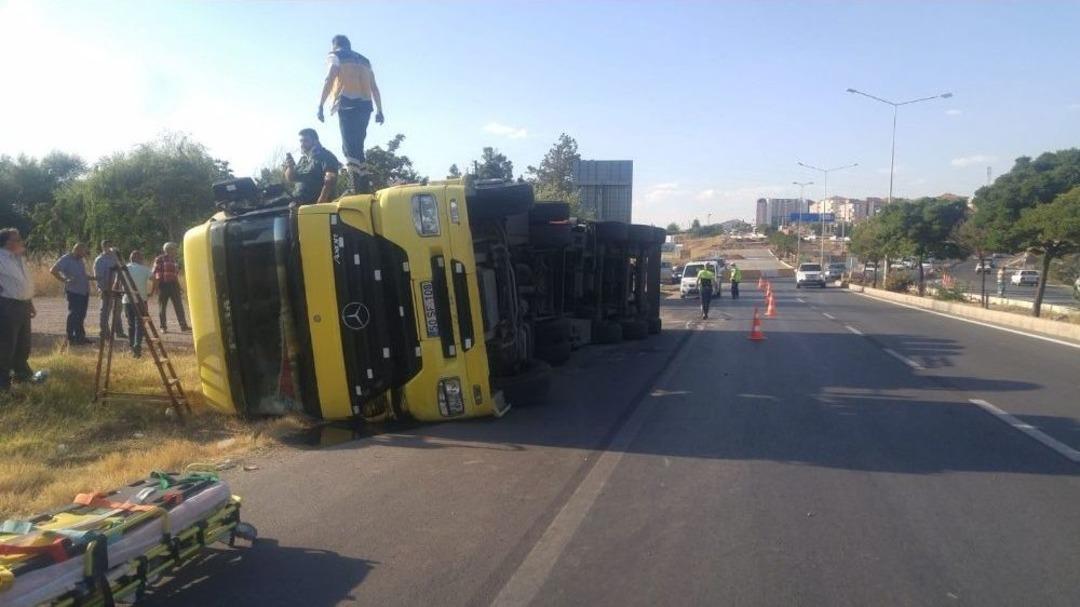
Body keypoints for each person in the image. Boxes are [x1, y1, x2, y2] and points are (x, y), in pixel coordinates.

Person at [317, 34, 384, 194]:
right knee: (358, 146)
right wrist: (380, 110)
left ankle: (355, 185)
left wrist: (320, 105)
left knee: (349, 146)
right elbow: (374, 87)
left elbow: (330, 79)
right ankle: (363, 184)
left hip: (347, 103)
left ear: (334, 45)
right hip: (366, 106)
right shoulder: (365, 60)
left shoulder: (335, 56)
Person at [0, 228, 37, 391]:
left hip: (22, 304)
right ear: (7, 242)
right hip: (7, 305)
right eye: (17, 239)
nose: (21, 242)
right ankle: (2, 381)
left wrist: (30, 302)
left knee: (23, 342)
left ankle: (22, 375)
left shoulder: (18, 258)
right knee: (7, 344)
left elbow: (24, 284)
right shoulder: (1, 258)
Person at [284, 128, 342, 205]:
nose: (302, 144)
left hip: (314, 206)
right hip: (297, 203)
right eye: (301, 141)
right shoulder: (303, 160)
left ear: (315, 141)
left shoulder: (326, 156)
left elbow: (330, 179)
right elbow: (290, 178)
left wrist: (320, 202)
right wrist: (290, 167)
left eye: (305, 141)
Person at [50, 242, 92, 345]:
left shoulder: (80, 260)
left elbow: (81, 275)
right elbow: (53, 270)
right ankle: (70, 338)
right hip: (74, 292)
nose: (84, 254)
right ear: (77, 250)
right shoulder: (66, 259)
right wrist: (64, 280)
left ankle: (80, 337)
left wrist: (92, 278)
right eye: (83, 252)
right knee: (74, 314)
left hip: (83, 291)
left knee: (81, 315)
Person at [150, 242, 190, 333]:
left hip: (174, 285)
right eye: (174, 249)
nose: (175, 251)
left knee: (179, 306)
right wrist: (157, 286)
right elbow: (155, 272)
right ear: (168, 249)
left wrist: (179, 287)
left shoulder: (174, 260)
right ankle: (163, 327)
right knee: (162, 307)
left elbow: (175, 275)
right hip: (163, 285)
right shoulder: (160, 259)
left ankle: (183, 326)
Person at [92, 240, 125, 339]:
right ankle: (105, 332)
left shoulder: (115, 257)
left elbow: (122, 268)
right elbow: (98, 276)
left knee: (118, 310)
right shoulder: (100, 260)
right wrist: (103, 288)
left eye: (111, 245)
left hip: (117, 288)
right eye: (108, 246)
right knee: (105, 311)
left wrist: (119, 256)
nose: (110, 248)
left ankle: (119, 331)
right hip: (106, 288)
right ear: (104, 247)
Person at [123, 250, 153, 358]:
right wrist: (153, 292)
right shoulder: (144, 269)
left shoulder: (125, 268)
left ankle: (132, 346)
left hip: (127, 300)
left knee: (131, 324)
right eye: (142, 258)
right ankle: (137, 345)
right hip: (141, 300)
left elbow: (116, 283)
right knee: (139, 324)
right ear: (138, 258)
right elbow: (155, 279)